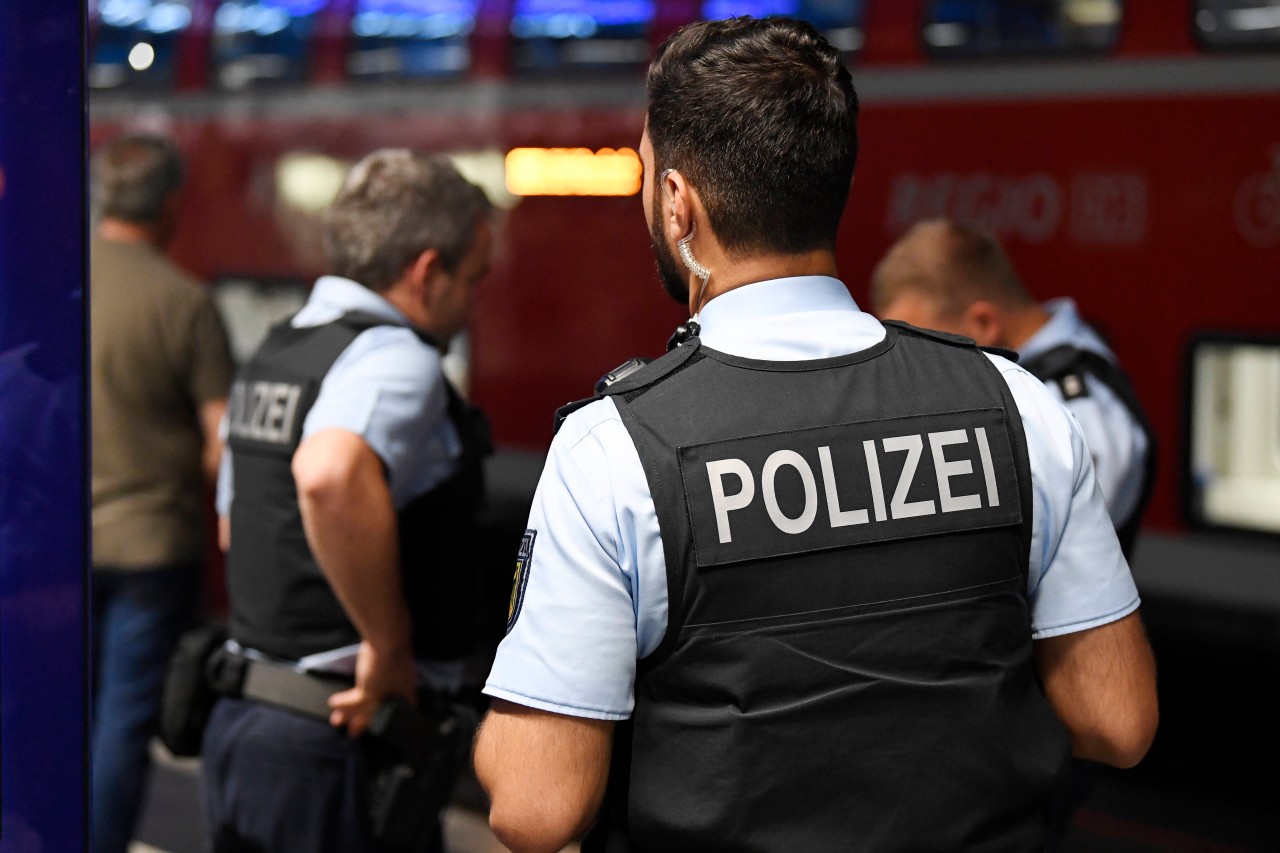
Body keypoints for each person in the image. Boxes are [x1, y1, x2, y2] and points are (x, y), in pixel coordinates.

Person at [473, 17, 1158, 853]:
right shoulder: (1015, 402)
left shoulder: (616, 448)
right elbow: (1119, 723)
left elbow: (536, 808)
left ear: (680, 205)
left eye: (647, 178)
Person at [203, 149, 494, 853]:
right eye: (473, 277)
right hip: (334, 739)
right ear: (427, 271)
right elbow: (329, 473)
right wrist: (388, 643)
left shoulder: (280, 351)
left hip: (247, 723)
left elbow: (234, 528)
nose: (472, 301)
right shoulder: (396, 357)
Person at [90, 133, 235, 853]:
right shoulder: (185, 302)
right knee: (123, 718)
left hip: (51, 541)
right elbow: (221, 440)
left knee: (50, 703)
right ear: (170, 203)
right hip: (152, 543)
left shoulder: (55, 284)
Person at [870, 219, 1156, 558]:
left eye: (924, 347)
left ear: (984, 324)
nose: (912, 369)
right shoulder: (1033, 382)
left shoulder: (1081, 413)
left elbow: (1045, 558)